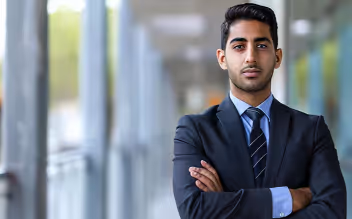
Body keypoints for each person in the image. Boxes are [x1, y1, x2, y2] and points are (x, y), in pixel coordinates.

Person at [172, 3, 346, 219]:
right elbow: (194, 210)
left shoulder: (311, 129)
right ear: (222, 58)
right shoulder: (195, 130)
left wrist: (225, 203)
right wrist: (287, 199)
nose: (251, 57)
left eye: (261, 46)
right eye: (239, 46)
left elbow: (333, 211)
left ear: (278, 57)